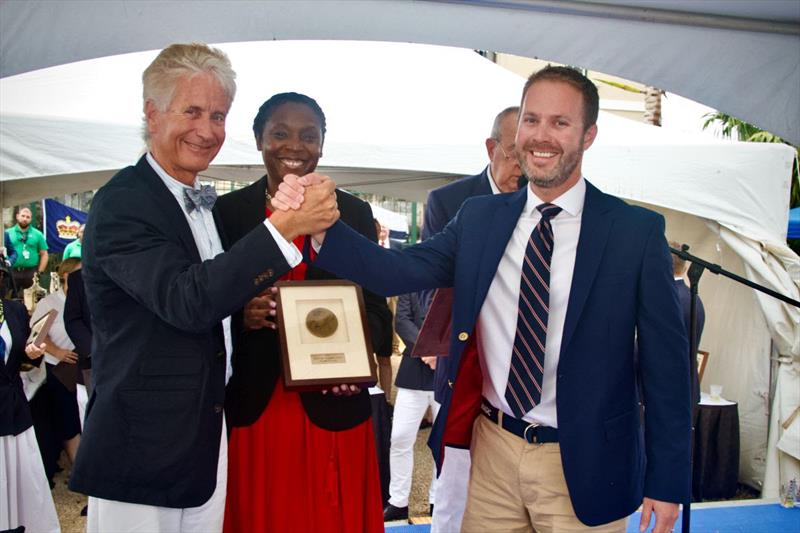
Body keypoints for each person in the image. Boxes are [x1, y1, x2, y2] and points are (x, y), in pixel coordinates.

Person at [282, 66, 691, 533]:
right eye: (531, 120)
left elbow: (667, 368)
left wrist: (667, 478)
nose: (541, 136)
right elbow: (400, 270)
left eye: (560, 123)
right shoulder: (480, 218)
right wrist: (324, 226)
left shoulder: (634, 233)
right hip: (492, 450)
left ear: (589, 134)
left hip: (586, 461)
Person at [67, 43, 339, 533]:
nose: (208, 130)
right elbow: (186, 300)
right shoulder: (124, 202)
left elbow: (201, 307)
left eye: (218, 115)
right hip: (143, 450)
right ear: (152, 114)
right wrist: (285, 226)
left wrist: (244, 313)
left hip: (204, 440)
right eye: (192, 111)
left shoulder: (200, 203)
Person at [215, 91, 390, 533]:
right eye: (280, 134)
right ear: (259, 140)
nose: (294, 146)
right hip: (259, 401)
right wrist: (242, 315)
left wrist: (357, 357)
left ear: (322, 144)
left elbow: (373, 305)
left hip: (334, 399)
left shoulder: (351, 211)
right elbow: (204, 299)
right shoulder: (229, 212)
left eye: (308, 136)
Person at [422, 105, 521, 532]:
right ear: (491, 147)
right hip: (465, 371)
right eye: (515, 152)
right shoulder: (449, 202)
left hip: (527, 383)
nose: (524, 165)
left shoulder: (547, 205)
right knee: (455, 495)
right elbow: (430, 289)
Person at [0, 289, 59, 533]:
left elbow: (25, 354)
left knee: (22, 481)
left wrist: (33, 353)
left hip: (13, 409)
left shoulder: (14, 310)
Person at [382, 290, 439, 521]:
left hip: (445, 372)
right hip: (413, 371)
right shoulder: (411, 284)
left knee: (444, 442)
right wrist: (427, 350)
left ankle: (439, 498)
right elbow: (402, 321)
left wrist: (440, 354)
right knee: (400, 438)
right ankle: (398, 501)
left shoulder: (453, 281)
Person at [28, 257, 82, 483]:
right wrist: (58, 352)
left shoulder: (89, 301)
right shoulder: (50, 303)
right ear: (66, 277)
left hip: (85, 369)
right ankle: (79, 474)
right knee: (69, 421)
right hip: (58, 371)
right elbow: (36, 336)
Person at [670, 240, 706, 404]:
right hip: (687, 385)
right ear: (684, 268)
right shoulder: (694, 299)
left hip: (668, 389)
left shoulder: (668, 300)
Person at [6, 207, 49, 290]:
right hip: (11, 271)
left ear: (31, 219)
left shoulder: (38, 234)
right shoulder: (8, 233)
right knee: (8, 299)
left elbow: (44, 254)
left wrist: (40, 272)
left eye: (28, 217)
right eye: (23, 216)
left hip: (31, 272)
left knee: (32, 299)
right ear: (17, 216)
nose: (25, 219)